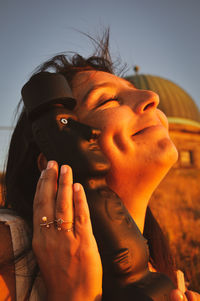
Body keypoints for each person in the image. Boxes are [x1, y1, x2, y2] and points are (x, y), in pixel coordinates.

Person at [0, 31, 199, 301]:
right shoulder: (8, 254)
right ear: (52, 158)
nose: (152, 96)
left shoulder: (165, 274)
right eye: (107, 100)